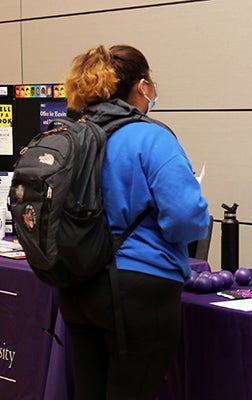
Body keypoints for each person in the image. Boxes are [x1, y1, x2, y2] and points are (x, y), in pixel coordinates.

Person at [59, 44, 210, 399]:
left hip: (77, 284)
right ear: (143, 87)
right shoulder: (151, 136)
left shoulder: (70, 133)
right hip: (139, 289)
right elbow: (187, 220)